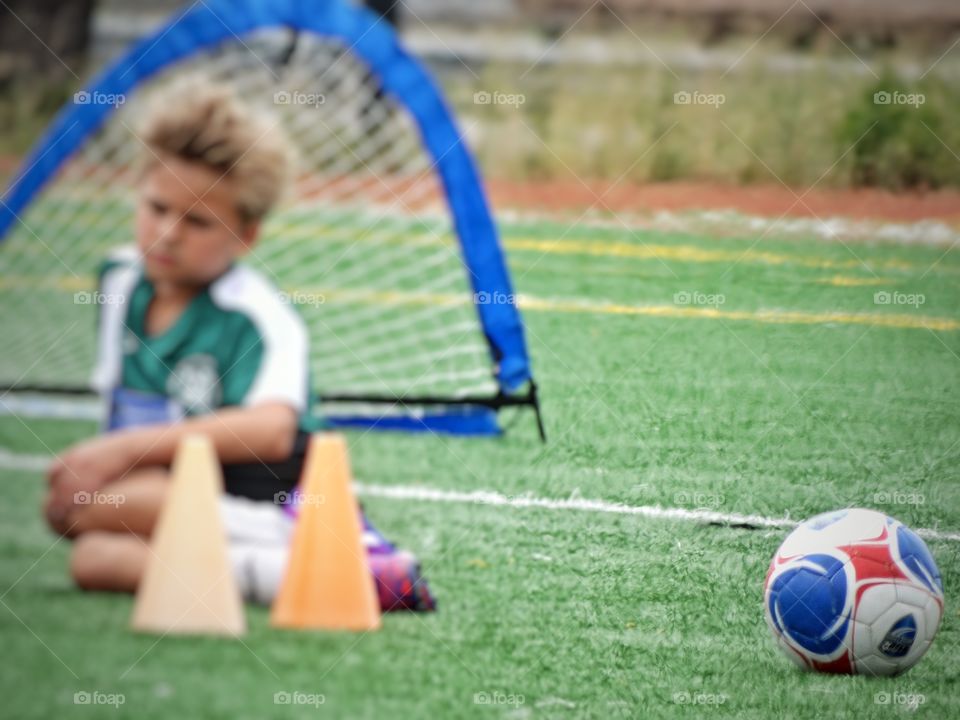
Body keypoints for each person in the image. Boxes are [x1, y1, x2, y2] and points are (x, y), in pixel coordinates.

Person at [44, 76, 435, 612]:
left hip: (273, 498)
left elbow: (272, 432)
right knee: (89, 555)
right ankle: (281, 575)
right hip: (184, 495)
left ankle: (337, 557)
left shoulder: (258, 314)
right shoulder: (118, 282)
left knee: (91, 508)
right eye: (156, 208)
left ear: (246, 236)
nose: (167, 233)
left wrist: (119, 451)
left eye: (197, 221)